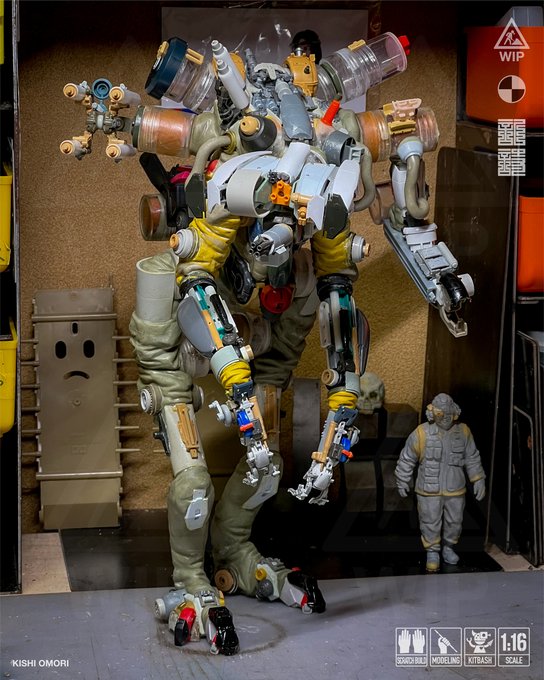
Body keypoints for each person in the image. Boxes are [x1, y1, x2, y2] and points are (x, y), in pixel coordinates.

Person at [394, 393, 486, 572]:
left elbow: (472, 457)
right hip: (428, 490)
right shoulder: (421, 433)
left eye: (448, 413)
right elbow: (407, 458)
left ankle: (449, 547)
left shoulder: (463, 432)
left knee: (455, 521)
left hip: (455, 489)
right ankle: (432, 551)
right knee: (429, 521)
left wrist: (478, 478)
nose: (445, 418)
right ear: (433, 413)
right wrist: (403, 479)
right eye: (441, 414)